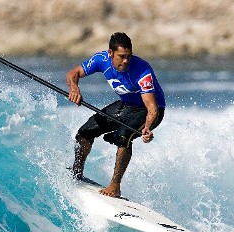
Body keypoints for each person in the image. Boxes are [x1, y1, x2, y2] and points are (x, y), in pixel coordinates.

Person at [66, 32, 166, 198]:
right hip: (126, 106)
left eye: (129, 56)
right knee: (85, 132)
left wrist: (147, 128)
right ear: (110, 53)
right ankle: (77, 171)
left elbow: (152, 108)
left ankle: (115, 186)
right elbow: (73, 73)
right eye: (121, 56)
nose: (126, 61)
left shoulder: (142, 70)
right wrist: (74, 89)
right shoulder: (101, 60)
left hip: (150, 111)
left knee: (123, 136)